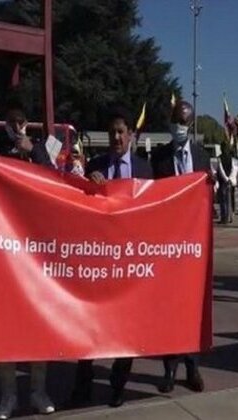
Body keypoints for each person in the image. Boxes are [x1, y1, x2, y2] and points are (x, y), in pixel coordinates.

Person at [0, 98, 55, 419]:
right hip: (4, 251)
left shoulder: (37, 151)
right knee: (6, 324)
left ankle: (38, 390)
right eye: (11, 122)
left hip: (36, 252)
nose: (16, 127)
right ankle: (8, 395)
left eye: (21, 121)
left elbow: (53, 180)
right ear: (3, 124)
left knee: (38, 323)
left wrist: (32, 151)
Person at [70, 106, 152, 409]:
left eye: (121, 131)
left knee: (126, 326)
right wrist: (90, 188)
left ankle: (118, 384)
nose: (116, 137)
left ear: (130, 134)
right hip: (100, 260)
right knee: (88, 323)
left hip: (131, 260)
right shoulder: (96, 165)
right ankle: (83, 385)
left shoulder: (145, 169)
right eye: (112, 132)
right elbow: (81, 208)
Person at [150, 100, 210, 394]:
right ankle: (169, 369)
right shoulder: (158, 159)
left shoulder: (201, 157)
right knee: (167, 310)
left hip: (194, 248)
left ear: (191, 124)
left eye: (184, 122)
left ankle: (192, 367)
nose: (179, 127)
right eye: (175, 121)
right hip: (166, 247)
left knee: (192, 309)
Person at [217, 142, 238, 224]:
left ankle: (224, 217)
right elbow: (235, 169)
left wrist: (225, 179)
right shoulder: (232, 158)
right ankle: (231, 216)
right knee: (231, 199)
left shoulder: (219, 158)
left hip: (223, 182)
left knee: (223, 200)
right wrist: (230, 179)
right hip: (231, 181)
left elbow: (220, 169)